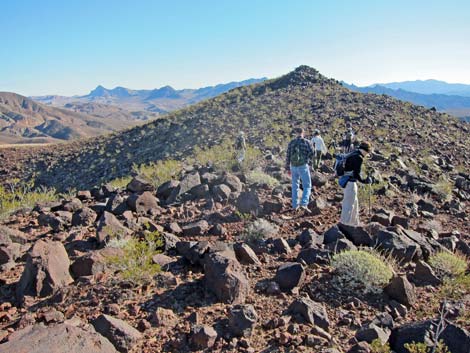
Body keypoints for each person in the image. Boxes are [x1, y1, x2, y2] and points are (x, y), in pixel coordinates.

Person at [339, 141, 372, 226]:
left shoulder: (353, 153)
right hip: (350, 183)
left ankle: (355, 224)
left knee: (354, 203)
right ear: (365, 150)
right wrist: (364, 181)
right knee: (349, 205)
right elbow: (356, 173)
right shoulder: (358, 157)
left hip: (347, 181)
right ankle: (345, 224)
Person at [285, 127, 315, 212]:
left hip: (293, 166)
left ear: (296, 133)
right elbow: (312, 153)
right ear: (303, 133)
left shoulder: (291, 142)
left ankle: (295, 205)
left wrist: (287, 167)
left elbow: (288, 155)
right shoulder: (307, 142)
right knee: (307, 185)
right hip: (303, 166)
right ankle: (304, 204)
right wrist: (308, 161)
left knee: (295, 185)